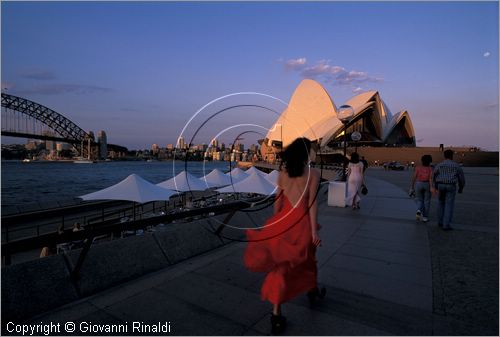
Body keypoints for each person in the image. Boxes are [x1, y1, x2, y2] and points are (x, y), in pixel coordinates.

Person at [243, 137, 325, 335]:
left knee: (280, 268)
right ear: (306, 154)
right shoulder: (313, 173)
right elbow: (312, 204)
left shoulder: (282, 174)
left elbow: (277, 204)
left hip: (283, 222)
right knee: (308, 260)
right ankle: (312, 290)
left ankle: (276, 315)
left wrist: (275, 226)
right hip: (303, 224)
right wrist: (314, 231)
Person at [433, 150, 465, 230]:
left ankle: (440, 222)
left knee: (440, 203)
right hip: (451, 186)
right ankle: (446, 224)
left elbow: (434, 175)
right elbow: (461, 178)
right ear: (452, 156)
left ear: (444, 155)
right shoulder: (456, 165)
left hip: (440, 185)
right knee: (449, 205)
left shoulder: (439, 165)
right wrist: (461, 188)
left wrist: (435, 185)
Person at [410, 155, 436, 222]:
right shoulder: (430, 169)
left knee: (419, 200)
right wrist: (431, 187)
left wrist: (412, 187)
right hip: (427, 184)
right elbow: (430, 178)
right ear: (430, 161)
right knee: (427, 201)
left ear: (422, 160)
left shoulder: (418, 168)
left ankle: (419, 210)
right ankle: (425, 217)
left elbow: (414, 177)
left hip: (418, 184)